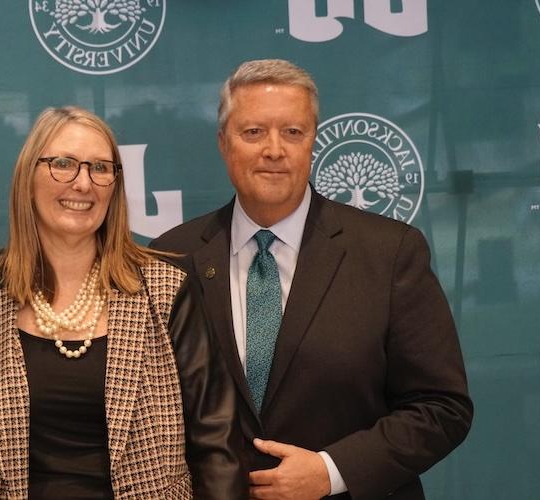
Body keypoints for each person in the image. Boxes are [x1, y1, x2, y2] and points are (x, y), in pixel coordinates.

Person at [151, 59, 473, 500]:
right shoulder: (170, 258)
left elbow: (442, 408)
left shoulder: (390, 252)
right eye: (253, 132)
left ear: (312, 142)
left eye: (293, 132)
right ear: (223, 144)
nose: (274, 149)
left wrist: (332, 471)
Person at [0, 106, 246, 499]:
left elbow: (216, 438)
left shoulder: (165, 289)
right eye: (63, 164)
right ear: (28, 178)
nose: (83, 183)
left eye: (100, 168)